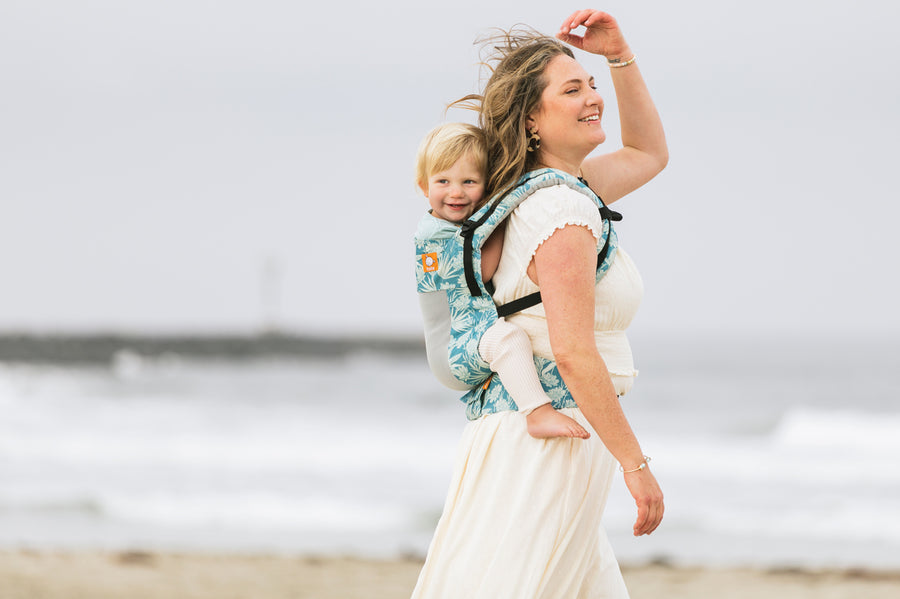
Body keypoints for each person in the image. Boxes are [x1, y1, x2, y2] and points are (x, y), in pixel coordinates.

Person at [411, 9, 667, 598]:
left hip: (546, 436)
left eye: (593, 85)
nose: (592, 98)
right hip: (548, 443)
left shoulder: (554, 191)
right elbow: (575, 353)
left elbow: (649, 153)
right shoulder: (561, 210)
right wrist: (637, 465)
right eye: (572, 89)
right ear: (531, 118)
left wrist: (619, 56)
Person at [414, 122, 590, 440]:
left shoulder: (465, 225)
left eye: (469, 181)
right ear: (423, 186)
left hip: (470, 339)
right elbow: (479, 271)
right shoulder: (433, 234)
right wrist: (516, 199)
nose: (456, 192)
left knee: (519, 342)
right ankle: (537, 413)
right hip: (452, 351)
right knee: (507, 339)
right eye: (443, 181)